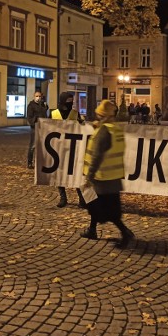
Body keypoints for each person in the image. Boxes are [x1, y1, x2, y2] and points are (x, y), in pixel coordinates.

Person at [80, 100, 134, 248]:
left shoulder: (103, 132)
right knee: (96, 205)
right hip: (113, 177)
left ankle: (125, 232)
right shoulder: (115, 129)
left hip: (101, 178)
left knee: (106, 210)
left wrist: (89, 177)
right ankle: (92, 230)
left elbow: (97, 156)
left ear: (102, 115)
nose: (96, 116)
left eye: (98, 114)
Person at [51, 92, 86, 207]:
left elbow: (82, 129)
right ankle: (63, 198)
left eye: (71, 100)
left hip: (73, 149)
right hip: (58, 148)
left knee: (75, 174)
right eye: (68, 101)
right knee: (59, 175)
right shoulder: (53, 114)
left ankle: (81, 199)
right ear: (62, 101)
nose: (70, 103)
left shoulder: (75, 114)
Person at [26, 91, 48, 169]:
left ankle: (38, 162)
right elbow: (29, 117)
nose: (38, 98)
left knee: (41, 145)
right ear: (34, 96)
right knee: (33, 145)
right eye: (36, 96)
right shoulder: (31, 105)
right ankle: (29, 162)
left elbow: (45, 114)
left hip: (42, 128)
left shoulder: (42, 105)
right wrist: (35, 120)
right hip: (34, 127)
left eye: (39, 96)